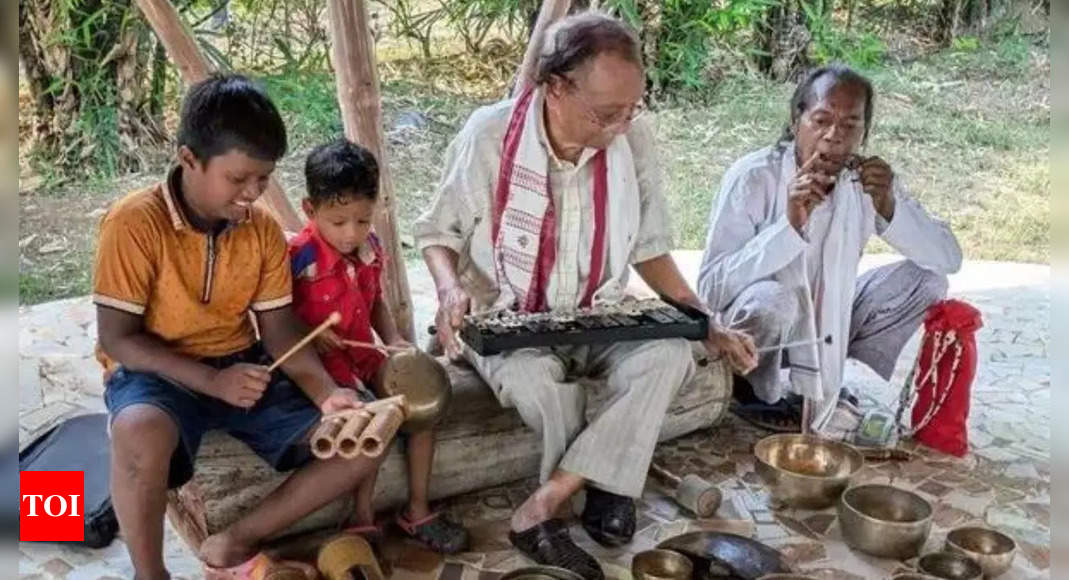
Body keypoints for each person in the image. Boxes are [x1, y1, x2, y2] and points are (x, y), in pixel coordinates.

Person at [413, 13, 756, 579]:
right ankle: (608, 483)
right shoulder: (490, 134)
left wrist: (707, 321)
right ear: (555, 87)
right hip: (506, 317)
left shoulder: (632, 139)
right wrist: (450, 290)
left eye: (632, 109)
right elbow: (436, 234)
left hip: (599, 315)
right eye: (606, 113)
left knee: (668, 355)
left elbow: (649, 248)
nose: (621, 127)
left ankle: (549, 502)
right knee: (534, 382)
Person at [94, 74, 383, 579]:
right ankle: (150, 572)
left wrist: (326, 395)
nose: (252, 193)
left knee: (360, 440)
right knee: (137, 430)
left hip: (243, 366)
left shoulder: (263, 230)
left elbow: (278, 330)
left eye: (264, 179)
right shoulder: (133, 223)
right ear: (189, 160)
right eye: (238, 179)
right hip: (154, 373)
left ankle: (233, 542)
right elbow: (117, 338)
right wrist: (210, 382)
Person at [697, 64, 962, 437]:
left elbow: (948, 259)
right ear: (796, 121)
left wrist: (889, 207)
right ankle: (753, 391)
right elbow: (710, 288)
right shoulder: (755, 177)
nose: (834, 137)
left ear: (864, 132)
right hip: (760, 326)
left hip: (825, 324)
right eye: (821, 120)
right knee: (776, 300)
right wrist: (788, 227)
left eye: (851, 124)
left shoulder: (868, 183)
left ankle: (820, 374)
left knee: (927, 280)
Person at [288, 138, 470, 553]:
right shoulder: (298, 257)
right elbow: (277, 318)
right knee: (370, 416)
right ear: (309, 210)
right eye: (338, 222)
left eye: (363, 220)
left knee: (423, 410)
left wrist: (393, 339)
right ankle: (362, 516)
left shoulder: (371, 249)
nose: (351, 233)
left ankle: (417, 509)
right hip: (324, 369)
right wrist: (309, 332)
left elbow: (375, 304)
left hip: (366, 355)